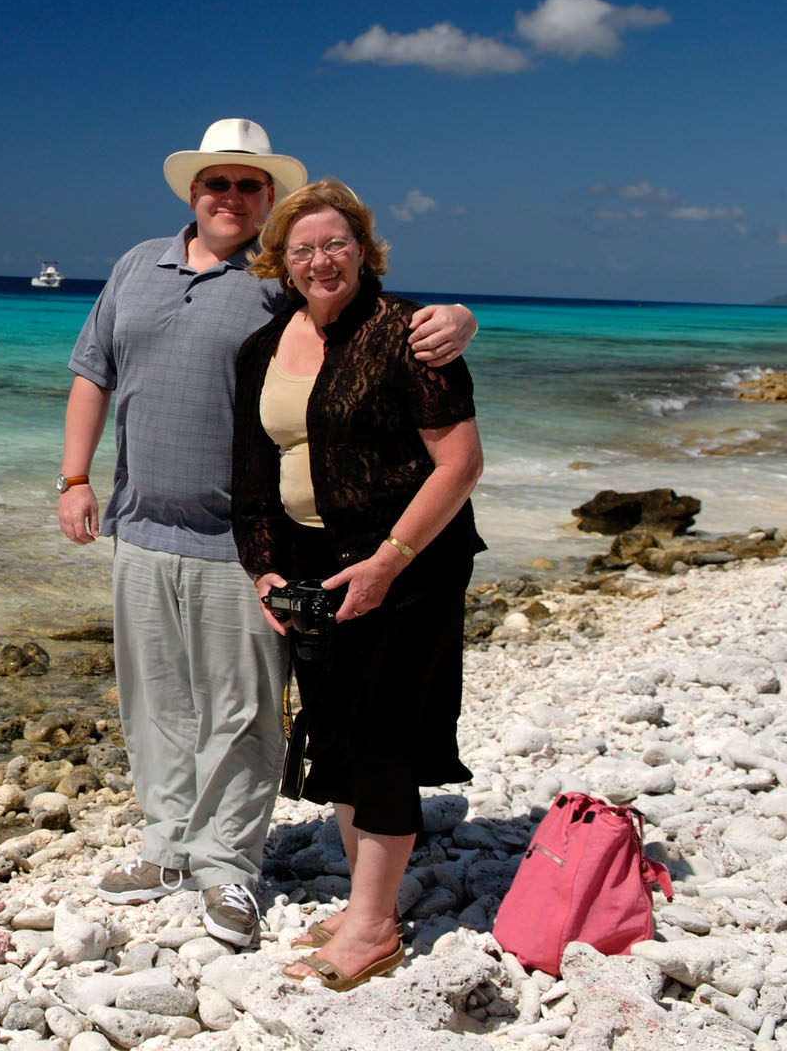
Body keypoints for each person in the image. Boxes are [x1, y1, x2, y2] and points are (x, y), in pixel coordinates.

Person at [57, 120, 478, 947]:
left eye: (249, 185)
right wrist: (74, 480)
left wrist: (460, 319)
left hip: (239, 541)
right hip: (139, 525)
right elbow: (91, 372)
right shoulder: (137, 265)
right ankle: (166, 847)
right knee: (154, 701)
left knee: (244, 710)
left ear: (268, 200)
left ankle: (228, 866)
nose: (231, 196)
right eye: (217, 182)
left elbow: (370, 317)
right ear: (193, 191)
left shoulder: (278, 277)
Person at [230, 177, 484, 988]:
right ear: (282, 261)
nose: (321, 261)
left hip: (409, 562)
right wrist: (264, 569)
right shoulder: (262, 348)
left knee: (383, 734)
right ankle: (365, 899)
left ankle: (374, 926)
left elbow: (460, 463)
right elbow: (252, 474)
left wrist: (387, 560)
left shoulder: (409, 333)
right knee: (334, 728)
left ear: (363, 249)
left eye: (335, 243)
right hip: (310, 566)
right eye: (302, 249)